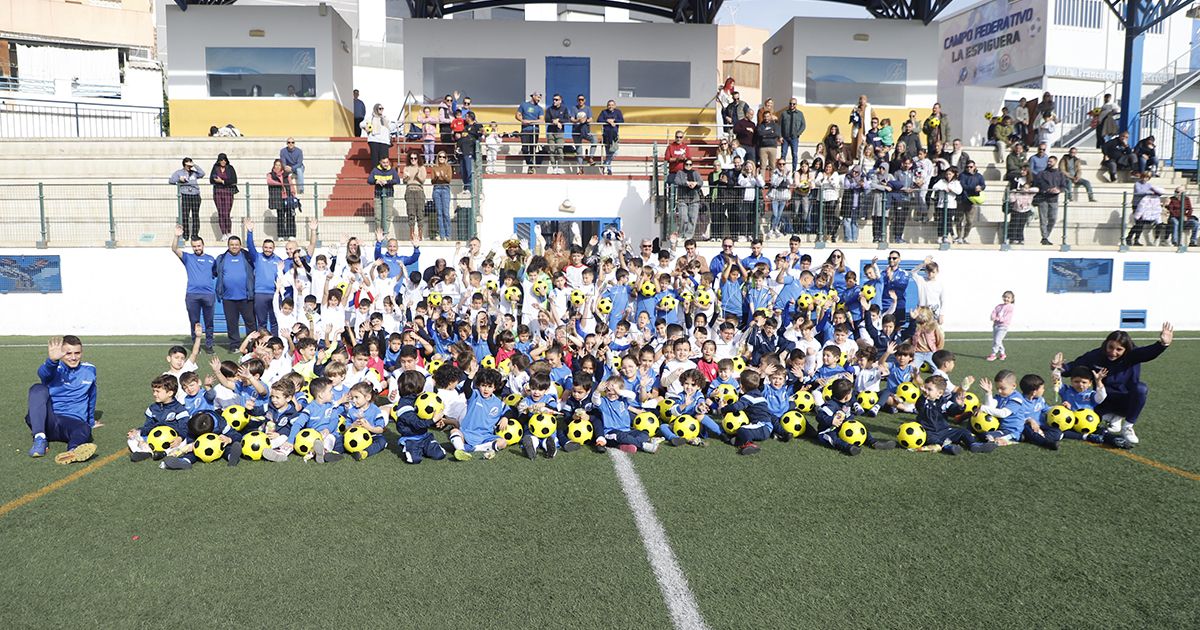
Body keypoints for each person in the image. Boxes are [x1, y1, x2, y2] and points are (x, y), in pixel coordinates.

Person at [1052, 323, 1174, 444]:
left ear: (1126, 349)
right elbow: (1074, 366)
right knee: (1082, 422)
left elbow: (1148, 352)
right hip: (1102, 401)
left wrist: (1163, 344)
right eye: (1110, 347)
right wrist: (1059, 367)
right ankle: (1112, 418)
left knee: (1141, 388)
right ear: (1106, 344)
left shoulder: (1133, 355)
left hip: (1125, 402)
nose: (1113, 352)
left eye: (1119, 349)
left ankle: (1127, 427)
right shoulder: (1096, 355)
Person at [25, 336, 98, 464]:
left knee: (84, 429)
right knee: (38, 388)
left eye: (77, 353)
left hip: (71, 423)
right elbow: (43, 373)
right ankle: (40, 439)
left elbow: (92, 396)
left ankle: (73, 451)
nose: (73, 357)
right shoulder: (54, 368)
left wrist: (91, 421)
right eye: (68, 353)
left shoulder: (90, 370)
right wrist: (52, 361)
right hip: (47, 420)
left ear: (82, 352)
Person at [171, 225, 217, 353]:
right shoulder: (188, 258)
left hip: (208, 295)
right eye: (194, 246)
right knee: (194, 322)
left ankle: (209, 345)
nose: (197, 248)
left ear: (203, 245)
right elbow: (174, 249)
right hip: (192, 295)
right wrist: (176, 236)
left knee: (209, 322)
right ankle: (196, 345)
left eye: (199, 246)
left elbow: (215, 273)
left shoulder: (211, 259)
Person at [214, 222, 256, 351]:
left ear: (240, 245)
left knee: (250, 322)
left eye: (236, 244)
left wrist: (249, 232)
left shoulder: (247, 256)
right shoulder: (221, 258)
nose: (234, 247)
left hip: (246, 297)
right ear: (228, 245)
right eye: (232, 244)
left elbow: (253, 250)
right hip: (228, 298)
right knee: (232, 323)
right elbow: (215, 273)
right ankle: (234, 345)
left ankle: (251, 345)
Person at [244, 220, 284, 336]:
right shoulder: (257, 257)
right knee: (262, 322)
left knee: (275, 321)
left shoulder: (278, 260)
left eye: (270, 248)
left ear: (273, 248)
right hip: (260, 294)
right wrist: (249, 232)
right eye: (265, 247)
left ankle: (275, 341)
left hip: (274, 294)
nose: (268, 249)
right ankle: (263, 341)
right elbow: (250, 246)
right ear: (262, 247)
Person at [1032, 155, 1069, 246]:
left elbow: (1063, 186)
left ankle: (1046, 235)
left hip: (1054, 199)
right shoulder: (1041, 173)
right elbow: (1037, 184)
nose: (1049, 163)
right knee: (1043, 219)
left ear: (1055, 162)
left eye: (1051, 161)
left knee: (1053, 218)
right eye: (1048, 161)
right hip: (1043, 199)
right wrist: (1046, 189)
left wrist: (1058, 190)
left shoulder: (1060, 174)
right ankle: (1044, 237)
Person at [169, 157, 206, 241]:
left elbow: (202, 173)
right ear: (184, 164)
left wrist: (195, 165)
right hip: (185, 195)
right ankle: (185, 234)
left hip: (195, 195)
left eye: (190, 165)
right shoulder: (179, 172)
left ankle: (195, 234)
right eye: (188, 165)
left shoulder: (194, 173)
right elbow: (171, 181)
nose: (189, 167)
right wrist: (179, 180)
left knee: (195, 216)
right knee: (185, 216)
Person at [1125, 171, 1165, 246]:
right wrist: (1149, 192)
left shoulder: (1149, 185)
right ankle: (1129, 237)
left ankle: (1136, 239)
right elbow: (1138, 192)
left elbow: (1154, 191)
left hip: (1145, 206)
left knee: (1141, 223)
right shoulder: (1137, 184)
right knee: (1139, 223)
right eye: (1144, 177)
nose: (1145, 179)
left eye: (1147, 177)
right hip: (1137, 205)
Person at [266, 159, 298, 239]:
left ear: (281, 166)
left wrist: (293, 193)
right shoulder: (271, 174)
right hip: (278, 199)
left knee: (290, 216)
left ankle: (291, 235)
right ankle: (281, 235)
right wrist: (280, 184)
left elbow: (291, 184)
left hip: (288, 198)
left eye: (279, 165)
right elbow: (269, 181)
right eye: (276, 165)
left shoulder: (286, 175)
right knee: (280, 217)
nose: (277, 167)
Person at [209, 153, 238, 240]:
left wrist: (222, 181)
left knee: (226, 213)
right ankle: (223, 233)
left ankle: (228, 232)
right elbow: (211, 180)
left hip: (228, 192)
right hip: (218, 192)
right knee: (221, 213)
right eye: (221, 160)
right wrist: (216, 180)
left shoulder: (230, 168)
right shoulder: (215, 168)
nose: (223, 161)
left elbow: (234, 180)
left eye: (224, 160)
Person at [673, 158, 703, 240]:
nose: (688, 166)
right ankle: (681, 234)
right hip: (682, 199)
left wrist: (695, 183)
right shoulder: (680, 173)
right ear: (684, 164)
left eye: (690, 164)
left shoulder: (695, 173)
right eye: (687, 164)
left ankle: (689, 235)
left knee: (692, 218)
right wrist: (687, 183)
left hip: (694, 199)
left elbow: (701, 182)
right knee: (683, 217)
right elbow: (677, 181)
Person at [956, 160, 985, 244]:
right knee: (959, 220)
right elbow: (963, 186)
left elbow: (983, 185)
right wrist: (974, 188)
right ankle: (959, 237)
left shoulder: (979, 176)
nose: (969, 168)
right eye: (967, 167)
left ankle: (965, 237)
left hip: (972, 201)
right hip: (962, 200)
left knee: (970, 221)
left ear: (974, 167)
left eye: (971, 167)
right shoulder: (962, 175)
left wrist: (980, 188)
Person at [368, 156, 399, 231]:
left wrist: (387, 182)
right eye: (384, 162)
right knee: (378, 217)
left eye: (387, 162)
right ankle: (379, 232)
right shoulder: (375, 170)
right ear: (380, 162)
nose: (385, 164)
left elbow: (397, 180)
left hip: (389, 195)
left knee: (388, 216)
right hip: (378, 196)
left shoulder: (392, 170)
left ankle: (385, 233)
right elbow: (369, 180)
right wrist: (376, 181)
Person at [515, 91, 543, 172]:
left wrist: (530, 122)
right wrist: (522, 120)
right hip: (525, 130)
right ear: (533, 96)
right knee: (524, 148)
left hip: (535, 130)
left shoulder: (539, 108)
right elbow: (517, 115)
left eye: (540, 98)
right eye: (538, 97)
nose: (539, 99)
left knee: (532, 149)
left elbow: (541, 120)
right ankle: (530, 163)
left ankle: (530, 167)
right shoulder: (524, 105)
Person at [402, 152, 427, 241]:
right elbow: (404, 181)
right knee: (411, 212)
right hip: (409, 190)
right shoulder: (406, 168)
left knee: (420, 212)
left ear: (418, 159)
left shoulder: (422, 168)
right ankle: (412, 234)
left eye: (415, 158)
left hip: (419, 190)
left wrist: (417, 176)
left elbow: (422, 180)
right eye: (411, 158)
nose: (413, 160)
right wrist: (406, 177)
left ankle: (420, 234)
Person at [430, 151, 454, 241]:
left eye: (443, 157)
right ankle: (442, 235)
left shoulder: (448, 167)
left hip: (445, 189)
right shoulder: (434, 167)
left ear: (446, 158)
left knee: (446, 213)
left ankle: (448, 235)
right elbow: (432, 181)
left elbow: (449, 180)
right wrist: (437, 177)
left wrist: (443, 176)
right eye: (440, 156)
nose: (441, 158)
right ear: (438, 157)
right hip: (436, 189)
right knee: (439, 213)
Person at [361, 104, 393, 169]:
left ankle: (383, 173)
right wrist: (367, 127)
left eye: (382, 108)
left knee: (384, 159)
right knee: (375, 159)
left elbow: (390, 127)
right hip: (374, 140)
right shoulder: (371, 118)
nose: (381, 110)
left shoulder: (384, 118)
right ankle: (375, 173)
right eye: (380, 108)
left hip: (384, 141)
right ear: (376, 109)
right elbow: (361, 124)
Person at [596, 99, 624, 176]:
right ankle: (609, 170)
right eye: (609, 105)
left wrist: (614, 120)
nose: (610, 106)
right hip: (606, 135)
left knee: (615, 152)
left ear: (615, 106)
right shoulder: (604, 112)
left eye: (612, 105)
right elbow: (599, 120)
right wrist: (607, 120)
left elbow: (622, 120)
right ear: (607, 106)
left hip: (614, 136)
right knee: (608, 153)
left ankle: (604, 165)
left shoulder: (618, 112)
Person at [778, 97, 806, 172]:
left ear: (796, 104)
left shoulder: (800, 114)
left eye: (794, 104)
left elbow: (803, 125)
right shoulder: (784, 113)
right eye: (790, 104)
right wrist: (780, 136)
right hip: (785, 138)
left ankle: (794, 171)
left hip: (794, 138)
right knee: (783, 154)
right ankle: (782, 170)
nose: (792, 105)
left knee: (794, 154)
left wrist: (798, 134)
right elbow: (779, 125)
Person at [544, 93, 568, 174]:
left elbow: (567, 119)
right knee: (551, 150)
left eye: (556, 100)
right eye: (553, 99)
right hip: (550, 132)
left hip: (560, 132)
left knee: (560, 149)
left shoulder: (564, 109)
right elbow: (546, 119)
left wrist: (559, 120)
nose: (554, 101)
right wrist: (554, 121)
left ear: (560, 101)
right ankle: (554, 167)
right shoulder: (549, 109)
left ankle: (560, 167)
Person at [988, 290, 1014, 362]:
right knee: (997, 341)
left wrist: (999, 319)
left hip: (1003, 326)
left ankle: (993, 354)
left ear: (1012, 299)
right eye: (1005, 297)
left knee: (997, 341)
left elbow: (1007, 317)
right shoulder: (999, 306)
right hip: (996, 326)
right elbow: (994, 312)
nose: (1006, 299)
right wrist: (993, 317)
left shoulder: (1010, 307)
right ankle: (1002, 353)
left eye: (1008, 298)